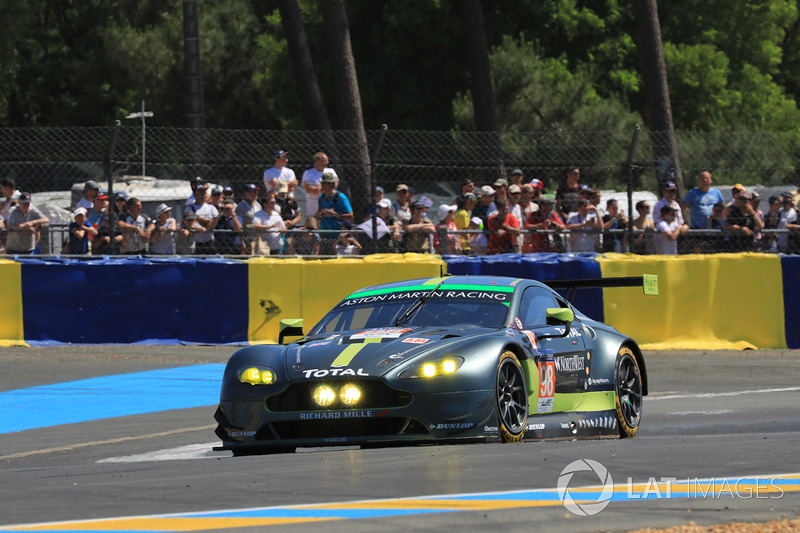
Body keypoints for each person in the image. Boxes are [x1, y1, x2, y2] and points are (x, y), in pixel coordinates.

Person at [317, 173, 353, 254]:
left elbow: (351, 216)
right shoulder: (321, 197)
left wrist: (334, 214)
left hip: (338, 238)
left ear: (330, 184)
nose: (321, 185)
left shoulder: (340, 197)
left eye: (323, 183)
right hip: (324, 235)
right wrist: (320, 214)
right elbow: (319, 212)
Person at [301, 152, 336, 217]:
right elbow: (308, 190)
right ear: (317, 162)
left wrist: (317, 188)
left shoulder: (331, 171)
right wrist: (325, 187)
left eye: (327, 160)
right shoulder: (308, 173)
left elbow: (335, 186)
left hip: (329, 207)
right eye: (325, 161)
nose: (327, 162)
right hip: (313, 207)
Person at [185, 187, 218, 254]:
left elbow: (215, 222)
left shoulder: (211, 207)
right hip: (196, 242)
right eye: (200, 192)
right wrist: (207, 224)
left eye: (204, 192)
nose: (203, 195)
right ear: (195, 195)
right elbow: (190, 223)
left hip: (210, 241)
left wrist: (199, 219)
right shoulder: (190, 208)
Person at [235, 183, 261, 254]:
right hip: (246, 238)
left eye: (256, 192)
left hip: (257, 238)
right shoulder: (240, 207)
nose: (255, 194)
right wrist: (242, 242)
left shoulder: (258, 205)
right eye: (253, 192)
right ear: (246, 193)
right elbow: (238, 226)